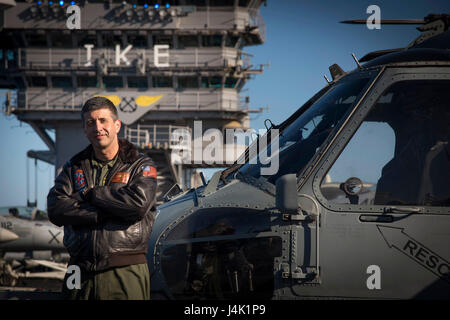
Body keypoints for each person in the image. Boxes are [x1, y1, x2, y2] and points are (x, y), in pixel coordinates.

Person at [47, 96, 157, 300]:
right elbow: (56, 208)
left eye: (103, 120)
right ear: (85, 130)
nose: (97, 127)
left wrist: (92, 194)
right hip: (77, 270)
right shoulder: (73, 167)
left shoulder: (140, 165)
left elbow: (137, 205)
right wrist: (102, 213)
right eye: (91, 122)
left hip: (125, 270)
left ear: (117, 125)